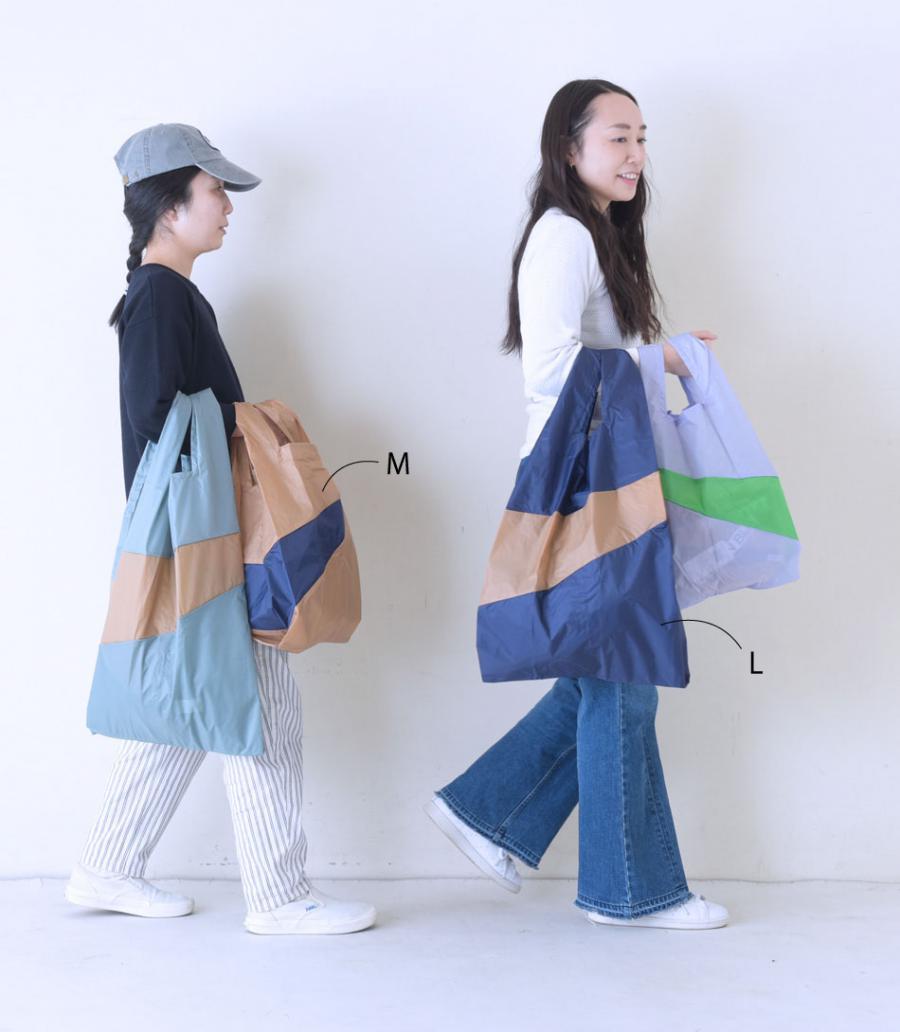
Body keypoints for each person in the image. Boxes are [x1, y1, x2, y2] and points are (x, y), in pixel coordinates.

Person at [425, 81, 729, 930]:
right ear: (570, 148)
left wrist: (656, 356)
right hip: (579, 485)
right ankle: (630, 891)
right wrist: (661, 360)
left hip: (604, 479)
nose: (637, 156)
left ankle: (486, 810)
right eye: (618, 138)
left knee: (608, 670)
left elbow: (595, 361)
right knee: (623, 673)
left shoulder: (594, 236)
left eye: (642, 138)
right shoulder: (562, 236)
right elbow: (553, 370)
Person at [65, 123, 376, 936]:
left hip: (194, 536)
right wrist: (245, 419)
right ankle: (278, 896)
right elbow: (156, 417)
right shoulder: (161, 296)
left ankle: (106, 865)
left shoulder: (165, 293)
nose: (228, 209)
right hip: (204, 537)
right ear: (170, 206)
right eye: (215, 193)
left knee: (201, 704)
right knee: (257, 704)